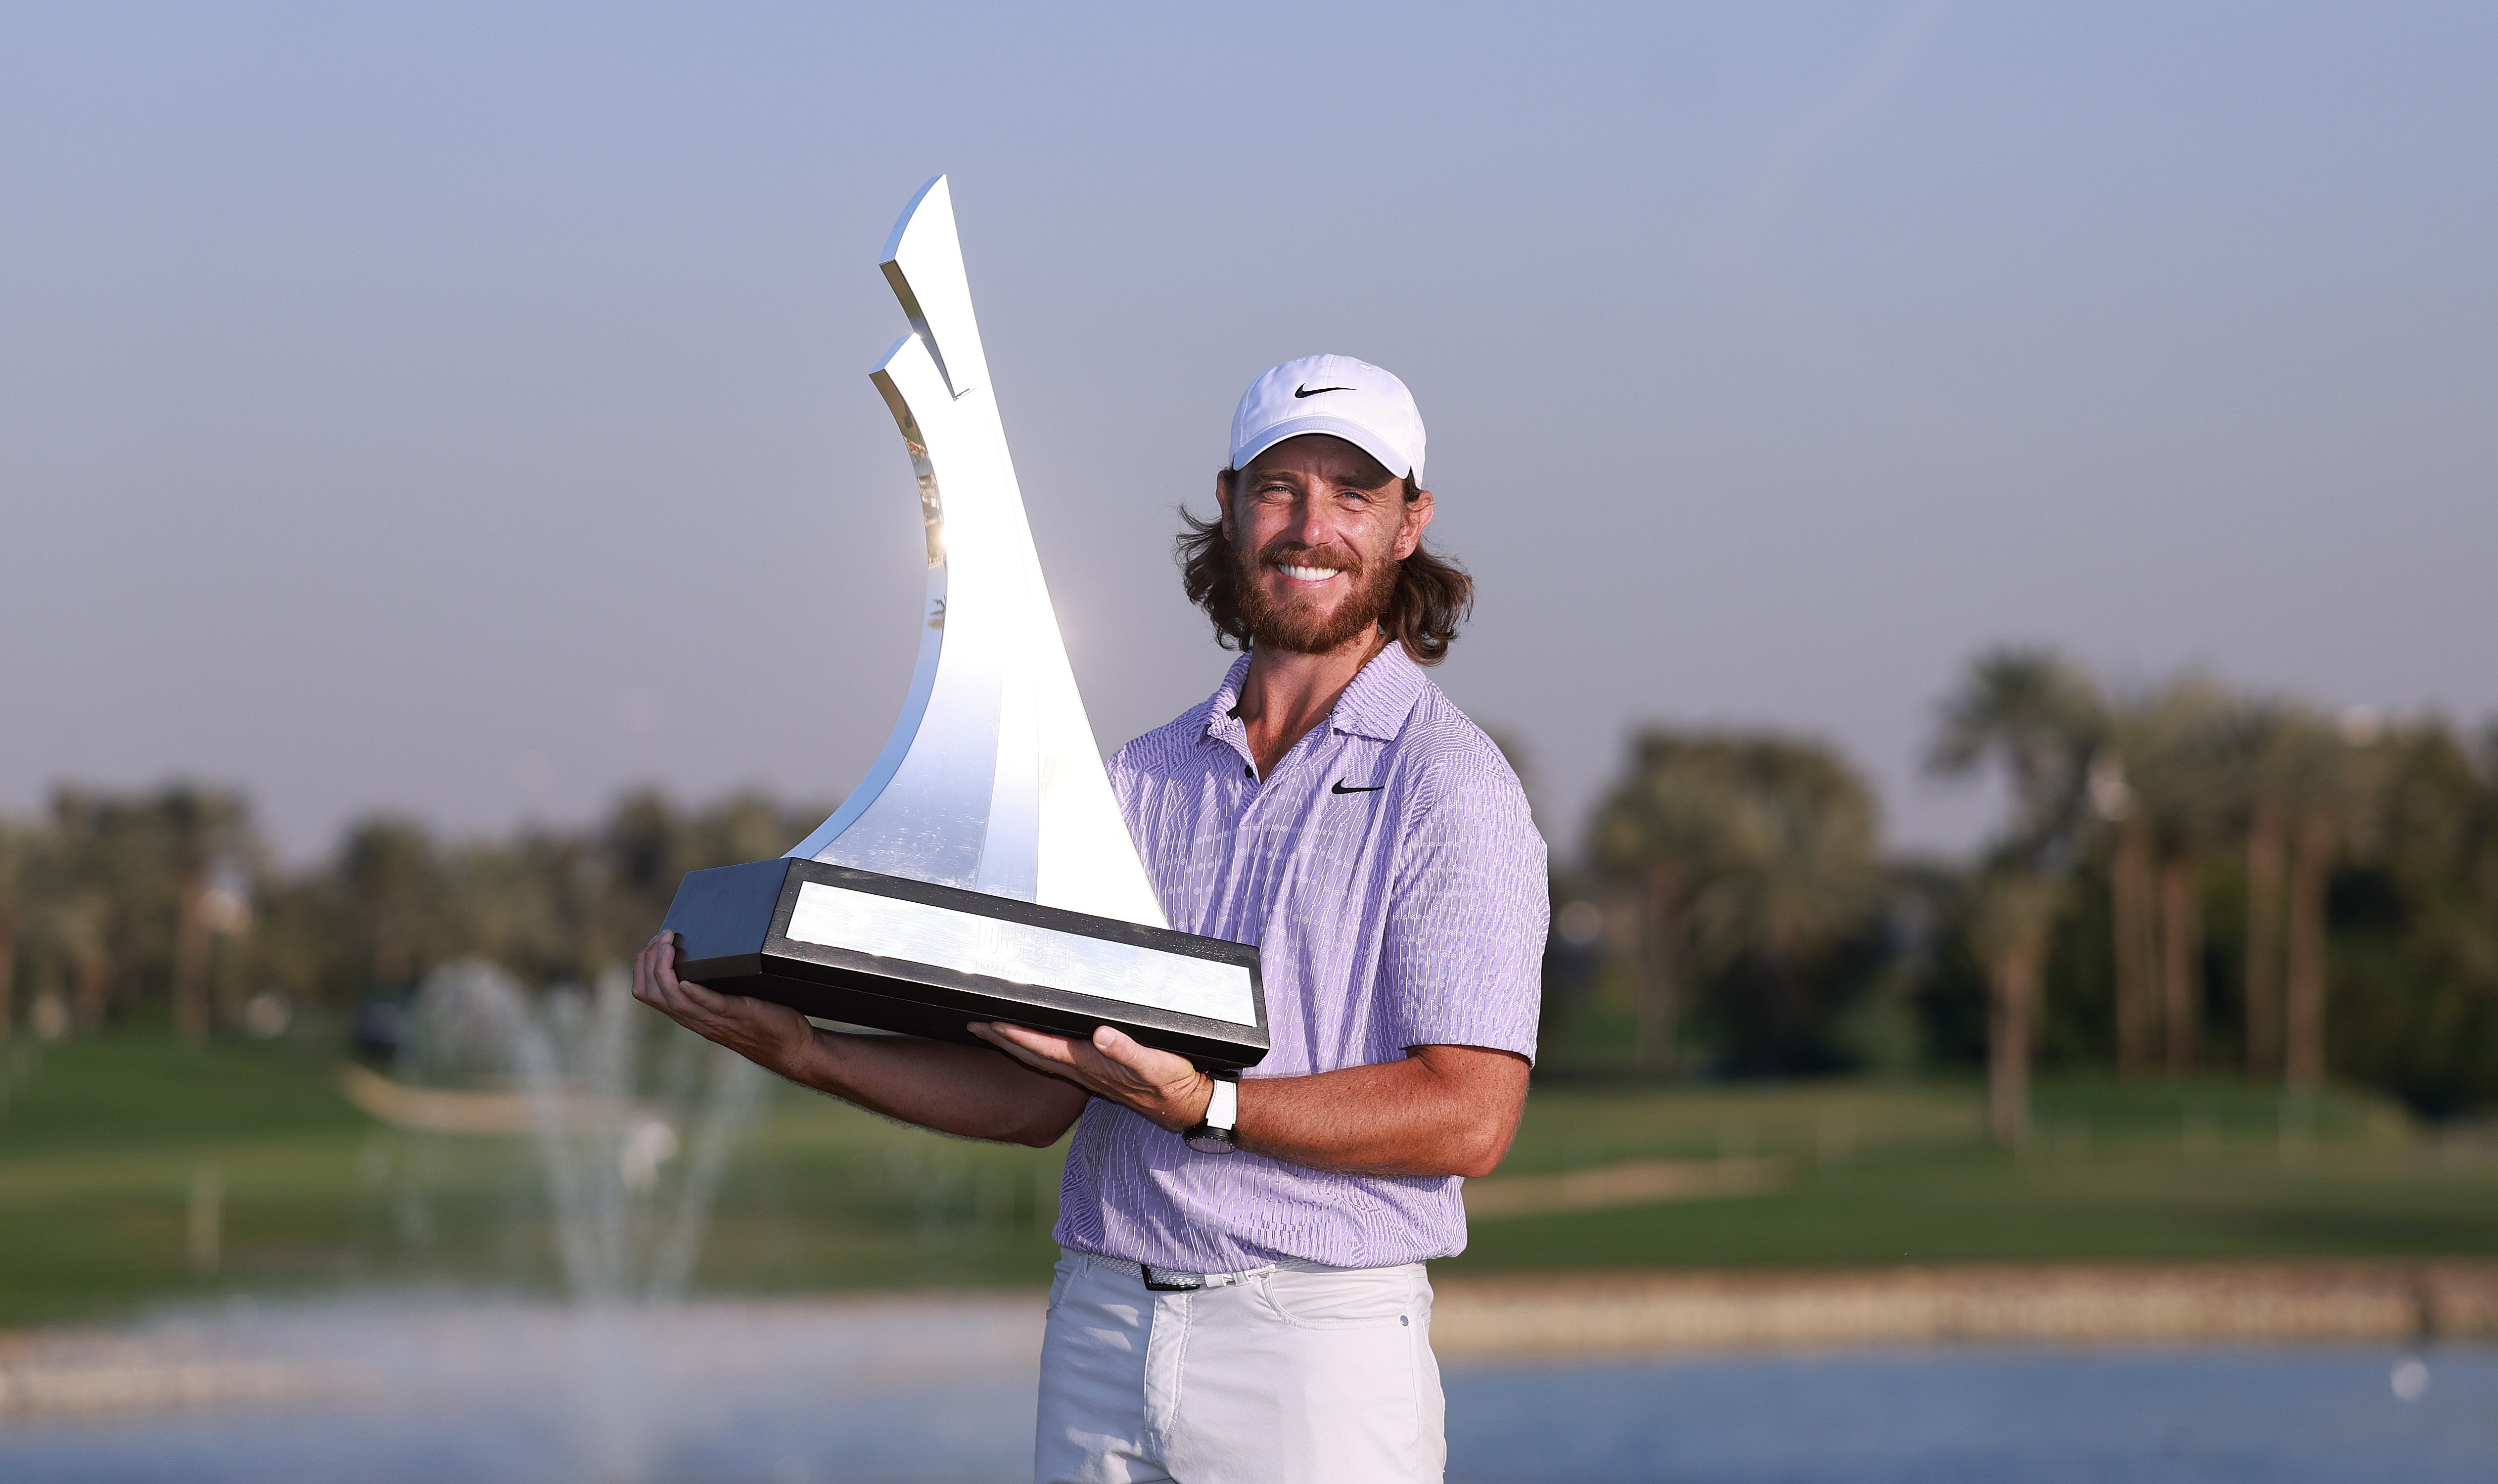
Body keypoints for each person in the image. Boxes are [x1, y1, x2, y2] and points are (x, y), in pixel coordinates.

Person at [634, 354, 1549, 1484]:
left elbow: (1470, 1116)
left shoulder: (1450, 786)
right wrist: (808, 1050)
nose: (1309, 527)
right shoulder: (1135, 783)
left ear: (1409, 525)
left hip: (1313, 1348)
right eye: (1279, 489)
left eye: (1352, 494)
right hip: (1102, 1324)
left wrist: (1208, 1105)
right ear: (1226, 507)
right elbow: (1036, 1095)